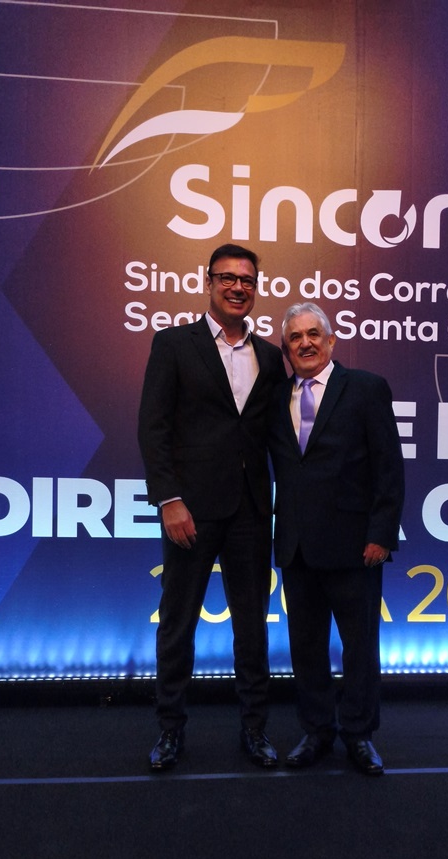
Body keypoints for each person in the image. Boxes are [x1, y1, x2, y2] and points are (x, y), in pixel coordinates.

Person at [138, 243, 287, 770]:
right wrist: (169, 499)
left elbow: (276, 436)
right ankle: (170, 730)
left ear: (256, 289)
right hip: (191, 511)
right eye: (227, 278)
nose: (237, 288)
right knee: (177, 624)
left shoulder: (270, 356)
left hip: (251, 512)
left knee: (252, 627)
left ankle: (255, 729)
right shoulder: (174, 344)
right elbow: (153, 428)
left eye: (246, 280)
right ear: (208, 282)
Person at [268, 302, 404, 775]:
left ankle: (359, 734)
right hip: (297, 546)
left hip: (355, 547)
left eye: (313, 334)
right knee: (306, 648)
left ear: (330, 340)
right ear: (286, 350)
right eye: (294, 338)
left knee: (359, 648)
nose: (304, 343)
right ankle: (317, 730)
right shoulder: (275, 397)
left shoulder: (366, 388)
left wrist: (381, 534)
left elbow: (389, 468)